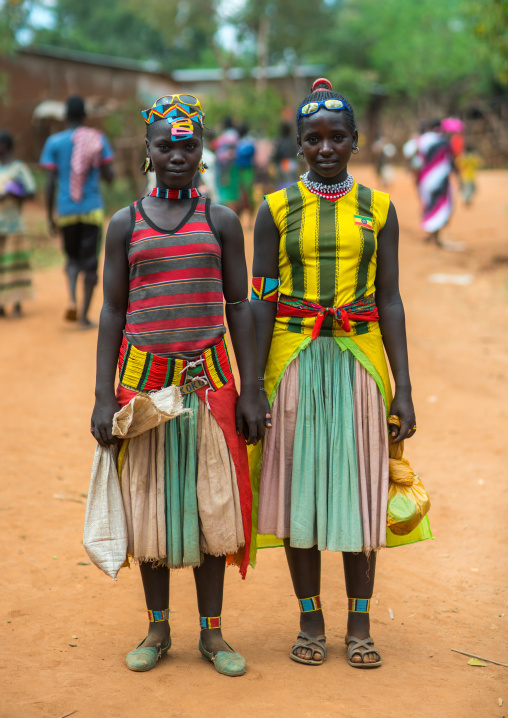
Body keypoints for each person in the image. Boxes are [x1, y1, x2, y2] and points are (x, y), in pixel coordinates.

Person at [90, 93, 266, 676]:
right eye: (165, 145)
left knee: (211, 508)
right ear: (147, 151)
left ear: (202, 152)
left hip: (208, 384)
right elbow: (113, 311)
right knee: (152, 510)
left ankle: (213, 635)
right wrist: (100, 395)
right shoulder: (124, 224)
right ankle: (158, 627)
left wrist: (251, 389)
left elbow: (238, 305)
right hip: (145, 390)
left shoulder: (221, 221)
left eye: (187, 145)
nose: (176, 155)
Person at [250, 78, 422, 669]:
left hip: (359, 362)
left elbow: (391, 299)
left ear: (356, 140)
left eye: (337, 137)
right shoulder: (275, 210)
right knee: (302, 492)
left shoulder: (379, 209)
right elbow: (261, 300)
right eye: (313, 139)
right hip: (294, 364)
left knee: (357, 492)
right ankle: (309, 618)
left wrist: (404, 390)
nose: (326, 148)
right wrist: (251, 386)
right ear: (298, 144)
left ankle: (359, 622)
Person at [40, 96, 114, 327]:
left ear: (64, 116)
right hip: (91, 209)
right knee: (90, 263)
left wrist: (49, 215)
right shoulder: (97, 139)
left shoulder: (53, 142)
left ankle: (72, 299)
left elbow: (50, 183)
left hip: (66, 210)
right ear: (85, 116)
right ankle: (83, 317)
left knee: (72, 259)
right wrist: (98, 166)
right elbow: (109, 176)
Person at [403, 118, 455, 246]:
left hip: (424, 179)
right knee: (440, 204)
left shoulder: (420, 140)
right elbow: (451, 160)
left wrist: (412, 170)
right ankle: (436, 235)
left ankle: (431, 233)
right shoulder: (444, 141)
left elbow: (410, 155)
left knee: (427, 203)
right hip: (441, 179)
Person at [0, 130, 36, 317]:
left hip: (13, 226)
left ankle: (16, 304)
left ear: (4, 146)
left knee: (14, 266)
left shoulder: (18, 169)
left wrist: (14, 193)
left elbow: (31, 192)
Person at [212, 117, 239, 211]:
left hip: (226, 165)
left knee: (226, 190)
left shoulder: (227, 135)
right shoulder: (233, 134)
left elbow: (216, 145)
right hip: (228, 164)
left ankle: (227, 210)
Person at [235, 123, 256, 225]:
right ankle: (242, 221)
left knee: (247, 195)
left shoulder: (246, 142)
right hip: (242, 170)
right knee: (242, 195)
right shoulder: (242, 142)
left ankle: (250, 222)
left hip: (246, 170)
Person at [271, 121, 300, 191]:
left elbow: (275, 154)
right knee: (292, 182)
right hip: (291, 163)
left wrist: (273, 164)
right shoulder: (292, 141)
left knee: (281, 183)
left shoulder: (278, 140)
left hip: (281, 163)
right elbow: (296, 153)